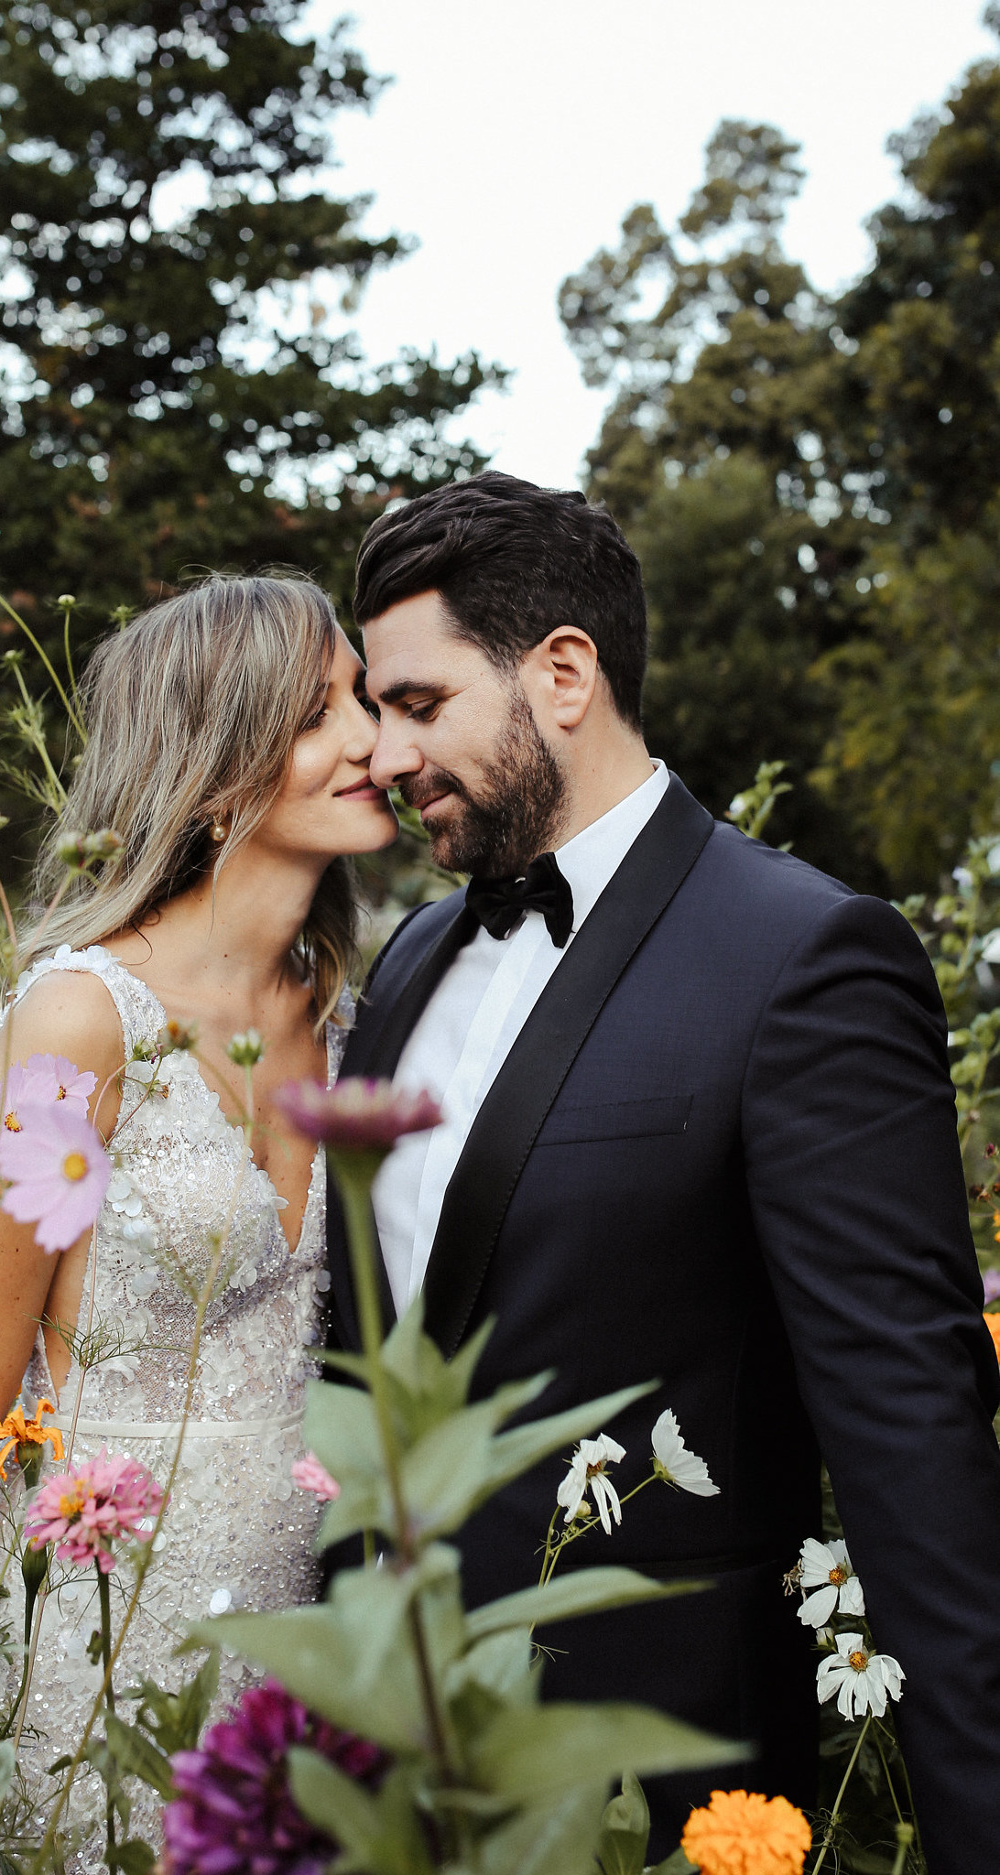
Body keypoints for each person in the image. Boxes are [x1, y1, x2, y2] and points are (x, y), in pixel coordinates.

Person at [325, 471, 1000, 1870]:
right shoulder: (407, 962)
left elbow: (912, 1445)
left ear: (560, 673)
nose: (382, 756)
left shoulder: (802, 957)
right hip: (383, 1755)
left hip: (655, 1762)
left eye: (417, 702)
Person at [0, 574, 397, 1861]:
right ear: (219, 763)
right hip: (99, 1635)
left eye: (359, 696)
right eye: (320, 712)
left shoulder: (353, 1014)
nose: (373, 739)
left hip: (311, 1633)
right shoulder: (75, 1024)